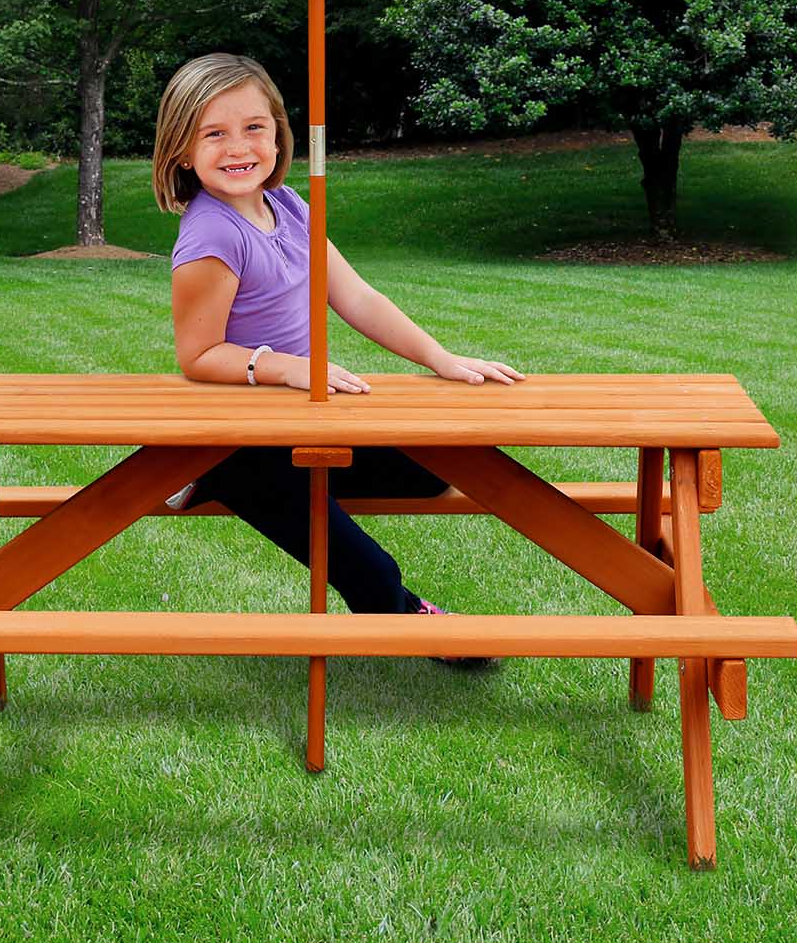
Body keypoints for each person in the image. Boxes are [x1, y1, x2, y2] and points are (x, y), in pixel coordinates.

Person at [152, 52, 523, 654]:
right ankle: (404, 617)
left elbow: (355, 295)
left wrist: (440, 358)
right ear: (180, 151)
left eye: (254, 127)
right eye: (213, 133)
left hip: (298, 423)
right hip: (238, 442)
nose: (238, 146)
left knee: (430, 471)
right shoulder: (212, 232)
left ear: (279, 133)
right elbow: (199, 355)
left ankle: (299, 503)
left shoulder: (291, 207)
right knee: (370, 572)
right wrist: (289, 366)